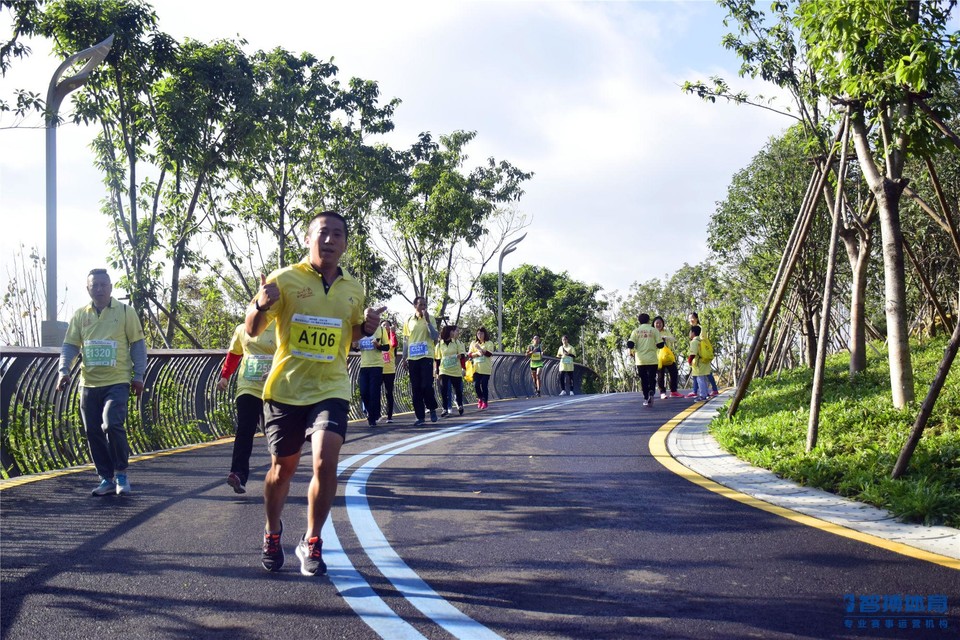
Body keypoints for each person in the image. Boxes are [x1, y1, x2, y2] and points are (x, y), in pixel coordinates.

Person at [246, 210, 384, 577]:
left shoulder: (353, 289)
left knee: (325, 460)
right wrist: (260, 304)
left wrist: (365, 328)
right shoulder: (284, 279)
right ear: (308, 239)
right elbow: (253, 329)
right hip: (286, 388)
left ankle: (312, 541)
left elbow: (350, 335)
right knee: (282, 468)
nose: (330, 240)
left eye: (338, 234)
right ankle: (272, 532)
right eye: (323, 233)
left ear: (345, 243)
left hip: (331, 386)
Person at [58, 268, 146, 496]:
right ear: (88, 289)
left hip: (117, 381)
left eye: (103, 285)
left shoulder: (125, 312)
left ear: (111, 287)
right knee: (93, 431)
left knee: (111, 423)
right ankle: (106, 478)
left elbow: (137, 345)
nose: (99, 289)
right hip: (88, 383)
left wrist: (138, 377)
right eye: (94, 285)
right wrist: (63, 371)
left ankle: (122, 474)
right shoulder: (80, 315)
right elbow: (70, 346)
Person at [217, 320, 277, 494]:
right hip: (248, 386)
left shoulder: (280, 327)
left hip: (274, 389)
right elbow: (234, 354)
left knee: (274, 434)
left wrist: (275, 371)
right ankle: (238, 474)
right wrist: (225, 377)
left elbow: (288, 354)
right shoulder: (242, 329)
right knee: (245, 430)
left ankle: (279, 473)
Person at [403, 296, 439, 425]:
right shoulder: (408, 320)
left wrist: (428, 321)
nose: (423, 307)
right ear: (415, 306)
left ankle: (432, 407)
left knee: (426, 385)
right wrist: (404, 357)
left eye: (425, 305)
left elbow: (435, 336)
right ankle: (420, 417)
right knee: (416, 388)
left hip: (426, 356)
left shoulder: (431, 318)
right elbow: (406, 341)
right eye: (421, 305)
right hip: (413, 358)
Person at [628, 313, 664, 407]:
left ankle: (645, 397)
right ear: (649, 320)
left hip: (640, 360)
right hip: (652, 359)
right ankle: (651, 391)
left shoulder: (636, 331)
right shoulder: (654, 330)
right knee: (652, 377)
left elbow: (630, 344)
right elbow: (661, 345)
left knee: (644, 379)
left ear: (639, 321)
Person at [357, 319, 387, 427]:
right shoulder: (361, 329)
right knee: (364, 392)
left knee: (374, 392)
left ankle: (372, 418)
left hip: (377, 365)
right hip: (364, 365)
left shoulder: (381, 330)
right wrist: (354, 346)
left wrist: (378, 345)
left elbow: (386, 347)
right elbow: (356, 347)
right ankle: (372, 412)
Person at [435, 325, 466, 416]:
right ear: (447, 332)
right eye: (452, 331)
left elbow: (463, 355)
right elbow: (438, 359)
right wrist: (437, 372)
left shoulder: (457, 343)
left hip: (455, 370)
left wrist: (459, 356)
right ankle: (445, 408)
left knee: (458, 390)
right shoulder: (439, 344)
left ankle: (460, 404)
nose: (454, 333)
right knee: (444, 390)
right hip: (444, 370)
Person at [687, 312, 720, 397]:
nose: (691, 319)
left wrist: (691, 357)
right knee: (699, 375)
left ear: (697, 318)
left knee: (704, 375)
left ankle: (707, 392)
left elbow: (702, 341)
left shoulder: (700, 328)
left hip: (701, 355)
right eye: (689, 318)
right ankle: (698, 391)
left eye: (692, 318)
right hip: (699, 356)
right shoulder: (693, 328)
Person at [653, 316, 682, 400]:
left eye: (660, 323)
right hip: (658, 357)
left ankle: (673, 391)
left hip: (667, 356)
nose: (658, 324)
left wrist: (665, 338)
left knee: (674, 372)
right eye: (657, 323)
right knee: (660, 375)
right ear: (654, 324)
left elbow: (673, 339)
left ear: (663, 324)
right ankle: (662, 392)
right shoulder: (652, 332)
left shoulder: (666, 331)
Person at [468, 327, 495, 409]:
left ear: (485, 334)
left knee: (484, 385)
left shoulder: (489, 343)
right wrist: (477, 353)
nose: (480, 335)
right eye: (478, 333)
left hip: (486, 369)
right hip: (476, 368)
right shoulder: (473, 343)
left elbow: (489, 354)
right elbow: (469, 354)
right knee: (476, 385)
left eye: (481, 333)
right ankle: (480, 398)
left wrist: (480, 349)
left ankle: (485, 401)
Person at [380, 319, 399, 424]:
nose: (385, 327)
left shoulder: (391, 337)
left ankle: (389, 416)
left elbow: (394, 343)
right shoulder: (378, 337)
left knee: (389, 393)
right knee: (375, 392)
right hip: (378, 368)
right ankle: (376, 414)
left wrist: (392, 332)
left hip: (389, 370)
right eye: (383, 325)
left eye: (387, 325)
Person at [687, 325, 711, 401]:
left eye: (690, 332)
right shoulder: (702, 341)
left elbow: (693, 353)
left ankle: (703, 395)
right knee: (703, 379)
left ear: (693, 333)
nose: (689, 334)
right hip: (704, 362)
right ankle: (706, 394)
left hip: (698, 363)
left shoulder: (694, 342)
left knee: (700, 379)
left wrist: (689, 361)